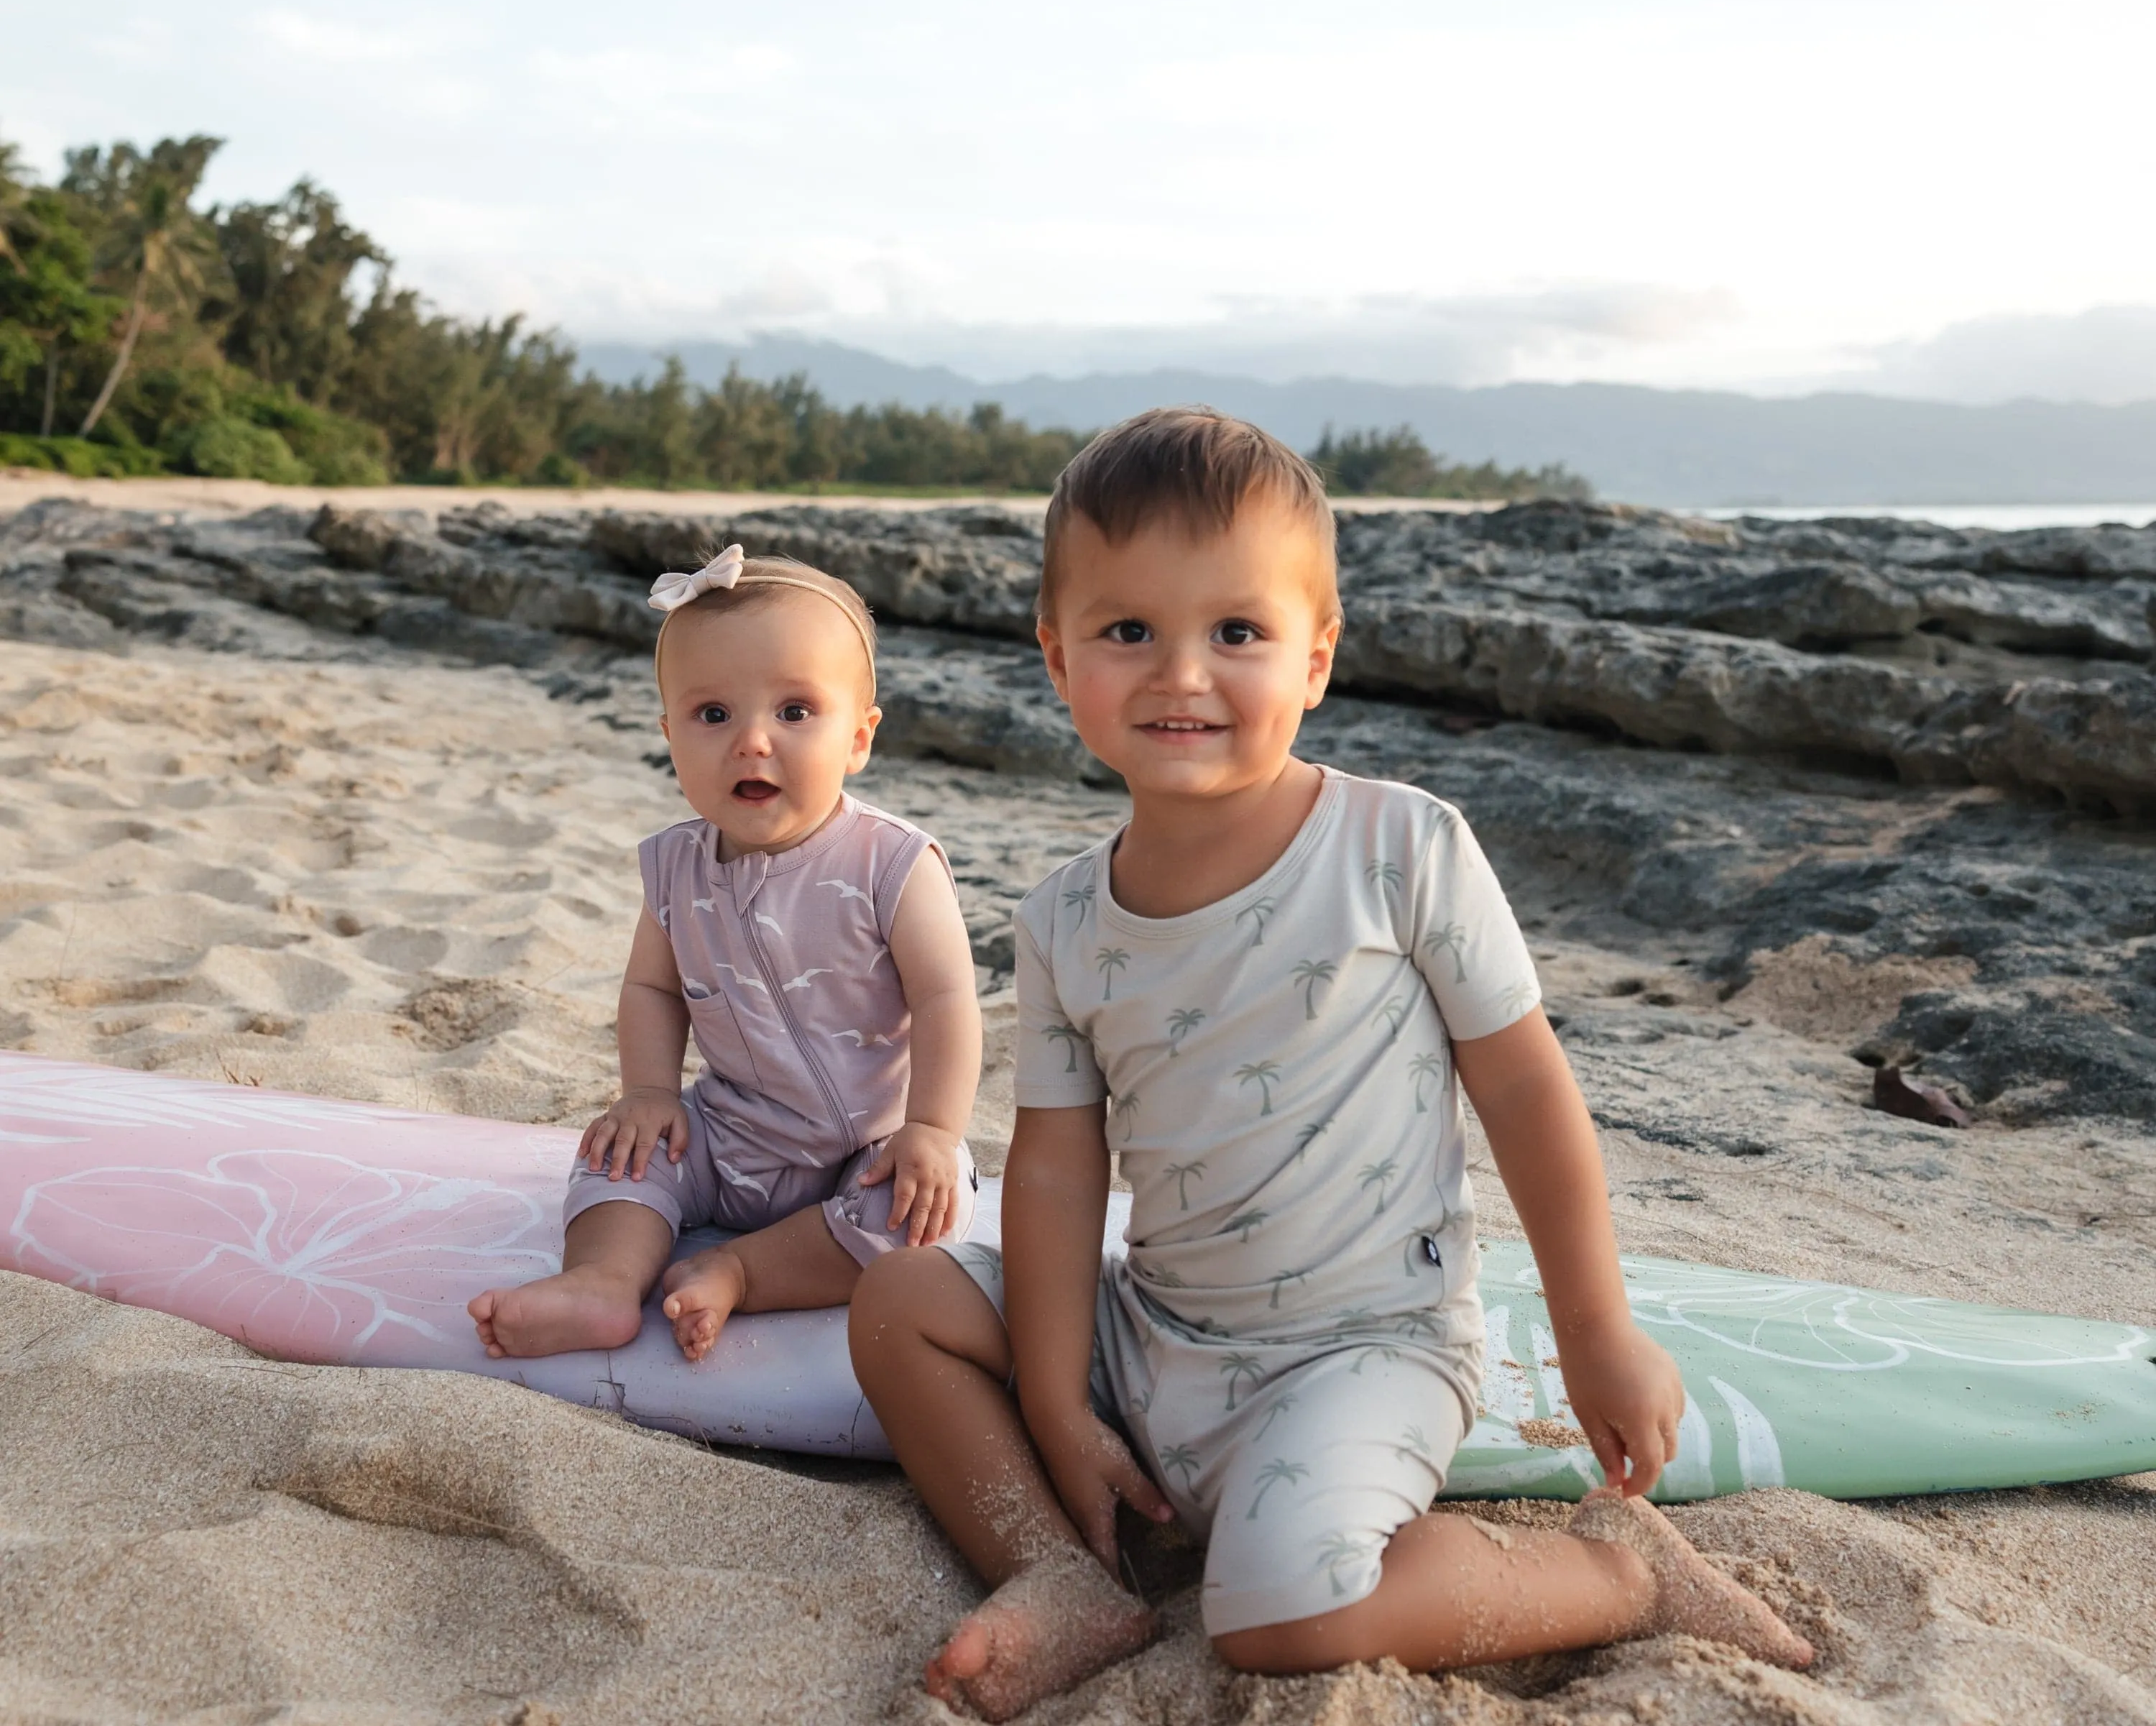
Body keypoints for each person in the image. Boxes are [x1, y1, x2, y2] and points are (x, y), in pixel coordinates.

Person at [849, 409, 1812, 1720]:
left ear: (1317, 656)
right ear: (1056, 656)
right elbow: (1063, 1166)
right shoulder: (1066, 917)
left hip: (1365, 1345)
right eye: (1128, 630)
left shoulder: (1402, 849)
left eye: (1236, 633)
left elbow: (1525, 1090)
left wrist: (1600, 1335)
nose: (1181, 673)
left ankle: (1615, 1575)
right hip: (1158, 1329)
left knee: (1283, 1617)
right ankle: (1059, 1574)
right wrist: (1061, 1397)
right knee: (901, 1300)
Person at [470, 547, 981, 1364]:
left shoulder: (893, 864)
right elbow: (651, 987)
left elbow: (951, 999)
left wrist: (931, 1127)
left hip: (869, 1147)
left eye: (795, 713)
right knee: (619, 1159)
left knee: (918, 1217)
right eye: (713, 716)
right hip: (730, 1128)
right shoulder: (676, 866)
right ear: (670, 737)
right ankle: (603, 1282)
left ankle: (741, 1270)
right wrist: (647, 1092)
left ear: (859, 736)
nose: (752, 742)